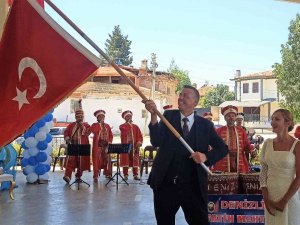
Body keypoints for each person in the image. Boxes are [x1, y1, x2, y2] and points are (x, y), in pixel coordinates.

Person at [144, 85, 228, 225]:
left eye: (186, 96)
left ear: (195, 103)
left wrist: (205, 156)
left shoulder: (205, 125)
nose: (181, 98)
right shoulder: (168, 117)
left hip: (193, 185)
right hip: (166, 184)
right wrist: (153, 115)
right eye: (181, 95)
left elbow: (222, 148)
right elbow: (156, 141)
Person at [259, 109, 300, 225]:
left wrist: (284, 201)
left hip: (290, 196)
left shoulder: (297, 145)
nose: (272, 122)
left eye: (277, 119)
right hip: (271, 196)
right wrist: (266, 198)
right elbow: (263, 171)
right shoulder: (267, 143)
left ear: (288, 123)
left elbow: (299, 177)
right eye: (272, 119)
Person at [213, 105, 255, 173]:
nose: (231, 118)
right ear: (225, 118)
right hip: (223, 161)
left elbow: (247, 145)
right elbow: (213, 146)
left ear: (235, 117)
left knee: (239, 182)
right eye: (229, 116)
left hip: (239, 160)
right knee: (224, 182)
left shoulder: (241, 131)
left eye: (233, 116)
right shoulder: (219, 131)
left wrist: (252, 151)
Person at [63, 109, 91, 184]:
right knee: (70, 161)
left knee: (81, 162)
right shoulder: (71, 125)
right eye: (78, 117)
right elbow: (66, 132)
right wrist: (67, 139)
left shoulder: (86, 125)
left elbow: (88, 133)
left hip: (82, 146)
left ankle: (78, 176)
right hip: (73, 146)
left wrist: (82, 126)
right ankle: (67, 176)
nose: (80, 118)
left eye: (81, 117)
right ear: (75, 117)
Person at [119, 110, 143, 180]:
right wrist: (129, 124)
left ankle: (135, 175)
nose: (129, 117)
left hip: (134, 146)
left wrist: (139, 142)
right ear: (124, 118)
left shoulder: (136, 126)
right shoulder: (122, 126)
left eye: (130, 116)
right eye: (127, 116)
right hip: (125, 147)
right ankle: (125, 175)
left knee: (135, 160)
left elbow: (140, 136)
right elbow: (125, 131)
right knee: (126, 160)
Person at [91, 110, 113, 183]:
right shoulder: (94, 125)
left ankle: (108, 174)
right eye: (100, 117)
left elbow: (110, 135)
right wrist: (99, 124)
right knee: (96, 161)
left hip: (106, 146)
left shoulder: (107, 126)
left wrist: (109, 142)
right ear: (97, 118)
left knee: (107, 160)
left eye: (103, 116)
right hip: (98, 146)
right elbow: (94, 130)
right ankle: (95, 176)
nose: (102, 118)